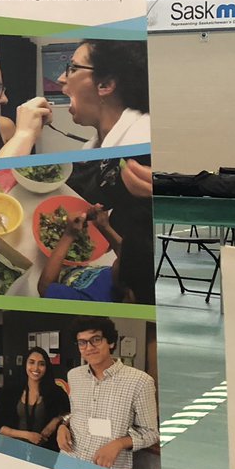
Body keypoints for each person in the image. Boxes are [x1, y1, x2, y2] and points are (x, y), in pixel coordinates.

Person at [62, 39, 153, 303]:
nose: (61, 78)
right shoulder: (93, 147)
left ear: (105, 85)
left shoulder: (143, 135)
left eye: (71, 68)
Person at [57, 316, 159, 469]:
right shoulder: (74, 375)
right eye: (82, 342)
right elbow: (76, 412)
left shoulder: (140, 381)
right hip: (69, 463)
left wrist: (119, 444)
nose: (89, 347)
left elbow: (151, 433)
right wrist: (63, 426)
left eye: (96, 339)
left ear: (110, 342)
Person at [58, 40, 150, 149]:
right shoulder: (90, 148)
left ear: (105, 85)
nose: (61, 79)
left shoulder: (145, 140)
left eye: (74, 68)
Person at [0, 347, 70, 450]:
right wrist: (27, 435)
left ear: (47, 367)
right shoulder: (10, 391)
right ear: (25, 364)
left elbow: (69, 413)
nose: (36, 368)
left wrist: (55, 421)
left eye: (41, 364)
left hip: (45, 452)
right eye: (31, 362)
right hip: (13, 450)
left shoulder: (56, 392)